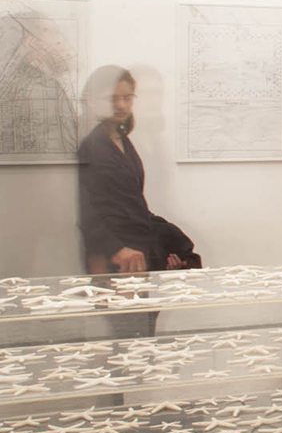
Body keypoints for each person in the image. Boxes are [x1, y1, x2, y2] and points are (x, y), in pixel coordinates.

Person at [78, 65, 201, 280]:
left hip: (137, 251)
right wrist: (116, 249)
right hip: (115, 256)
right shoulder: (92, 145)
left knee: (145, 310)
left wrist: (168, 246)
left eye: (127, 98)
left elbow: (135, 204)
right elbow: (85, 207)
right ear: (94, 99)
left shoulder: (123, 142)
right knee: (126, 312)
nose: (120, 105)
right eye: (112, 98)